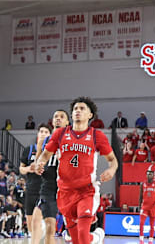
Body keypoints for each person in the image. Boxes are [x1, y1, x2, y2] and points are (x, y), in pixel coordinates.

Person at [35, 97, 117, 244]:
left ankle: (96, 236)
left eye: (82, 108)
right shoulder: (60, 134)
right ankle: (97, 237)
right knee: (76, 240)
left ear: (90, 115)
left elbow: (113, 160)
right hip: (65, 192)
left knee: (83, 236)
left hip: (87, 191)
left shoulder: (96, 135)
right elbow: (45, 155)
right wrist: (40, 163)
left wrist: (111, 170)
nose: (77, 111)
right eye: (75, 109)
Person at [36, 110, 69, 244]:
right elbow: (40, 161)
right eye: (56, 116)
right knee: (50, 226)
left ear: (67, 122)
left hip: (67, 183)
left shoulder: (72, 138)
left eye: (62, 117)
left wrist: (65, 159)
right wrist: (38, 165)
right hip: (49, 184)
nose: (58, 119)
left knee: (75, 230)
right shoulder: (47, 140)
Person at [20, 124, 50, 244]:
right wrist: (29, 169)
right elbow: (21, 169)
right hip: (31, 188)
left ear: (50, 135)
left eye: (46, 132)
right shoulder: (29, 150)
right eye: (41, 131)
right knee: (30, 223)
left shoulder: (51, 151)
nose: (43, 133)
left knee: (42, 220)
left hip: (46, 189)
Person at [139, 168, 155, 244]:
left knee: (152, 225)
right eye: (148, 174)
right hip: (145, 206)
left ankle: (150, 240)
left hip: (153, 207)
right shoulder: (142, 184)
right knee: (141, 223)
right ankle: (141, 239)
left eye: (151, 174)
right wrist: (139, 206)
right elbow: (140, 196)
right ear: (146, 175)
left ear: (153, 175)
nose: (149, 175)